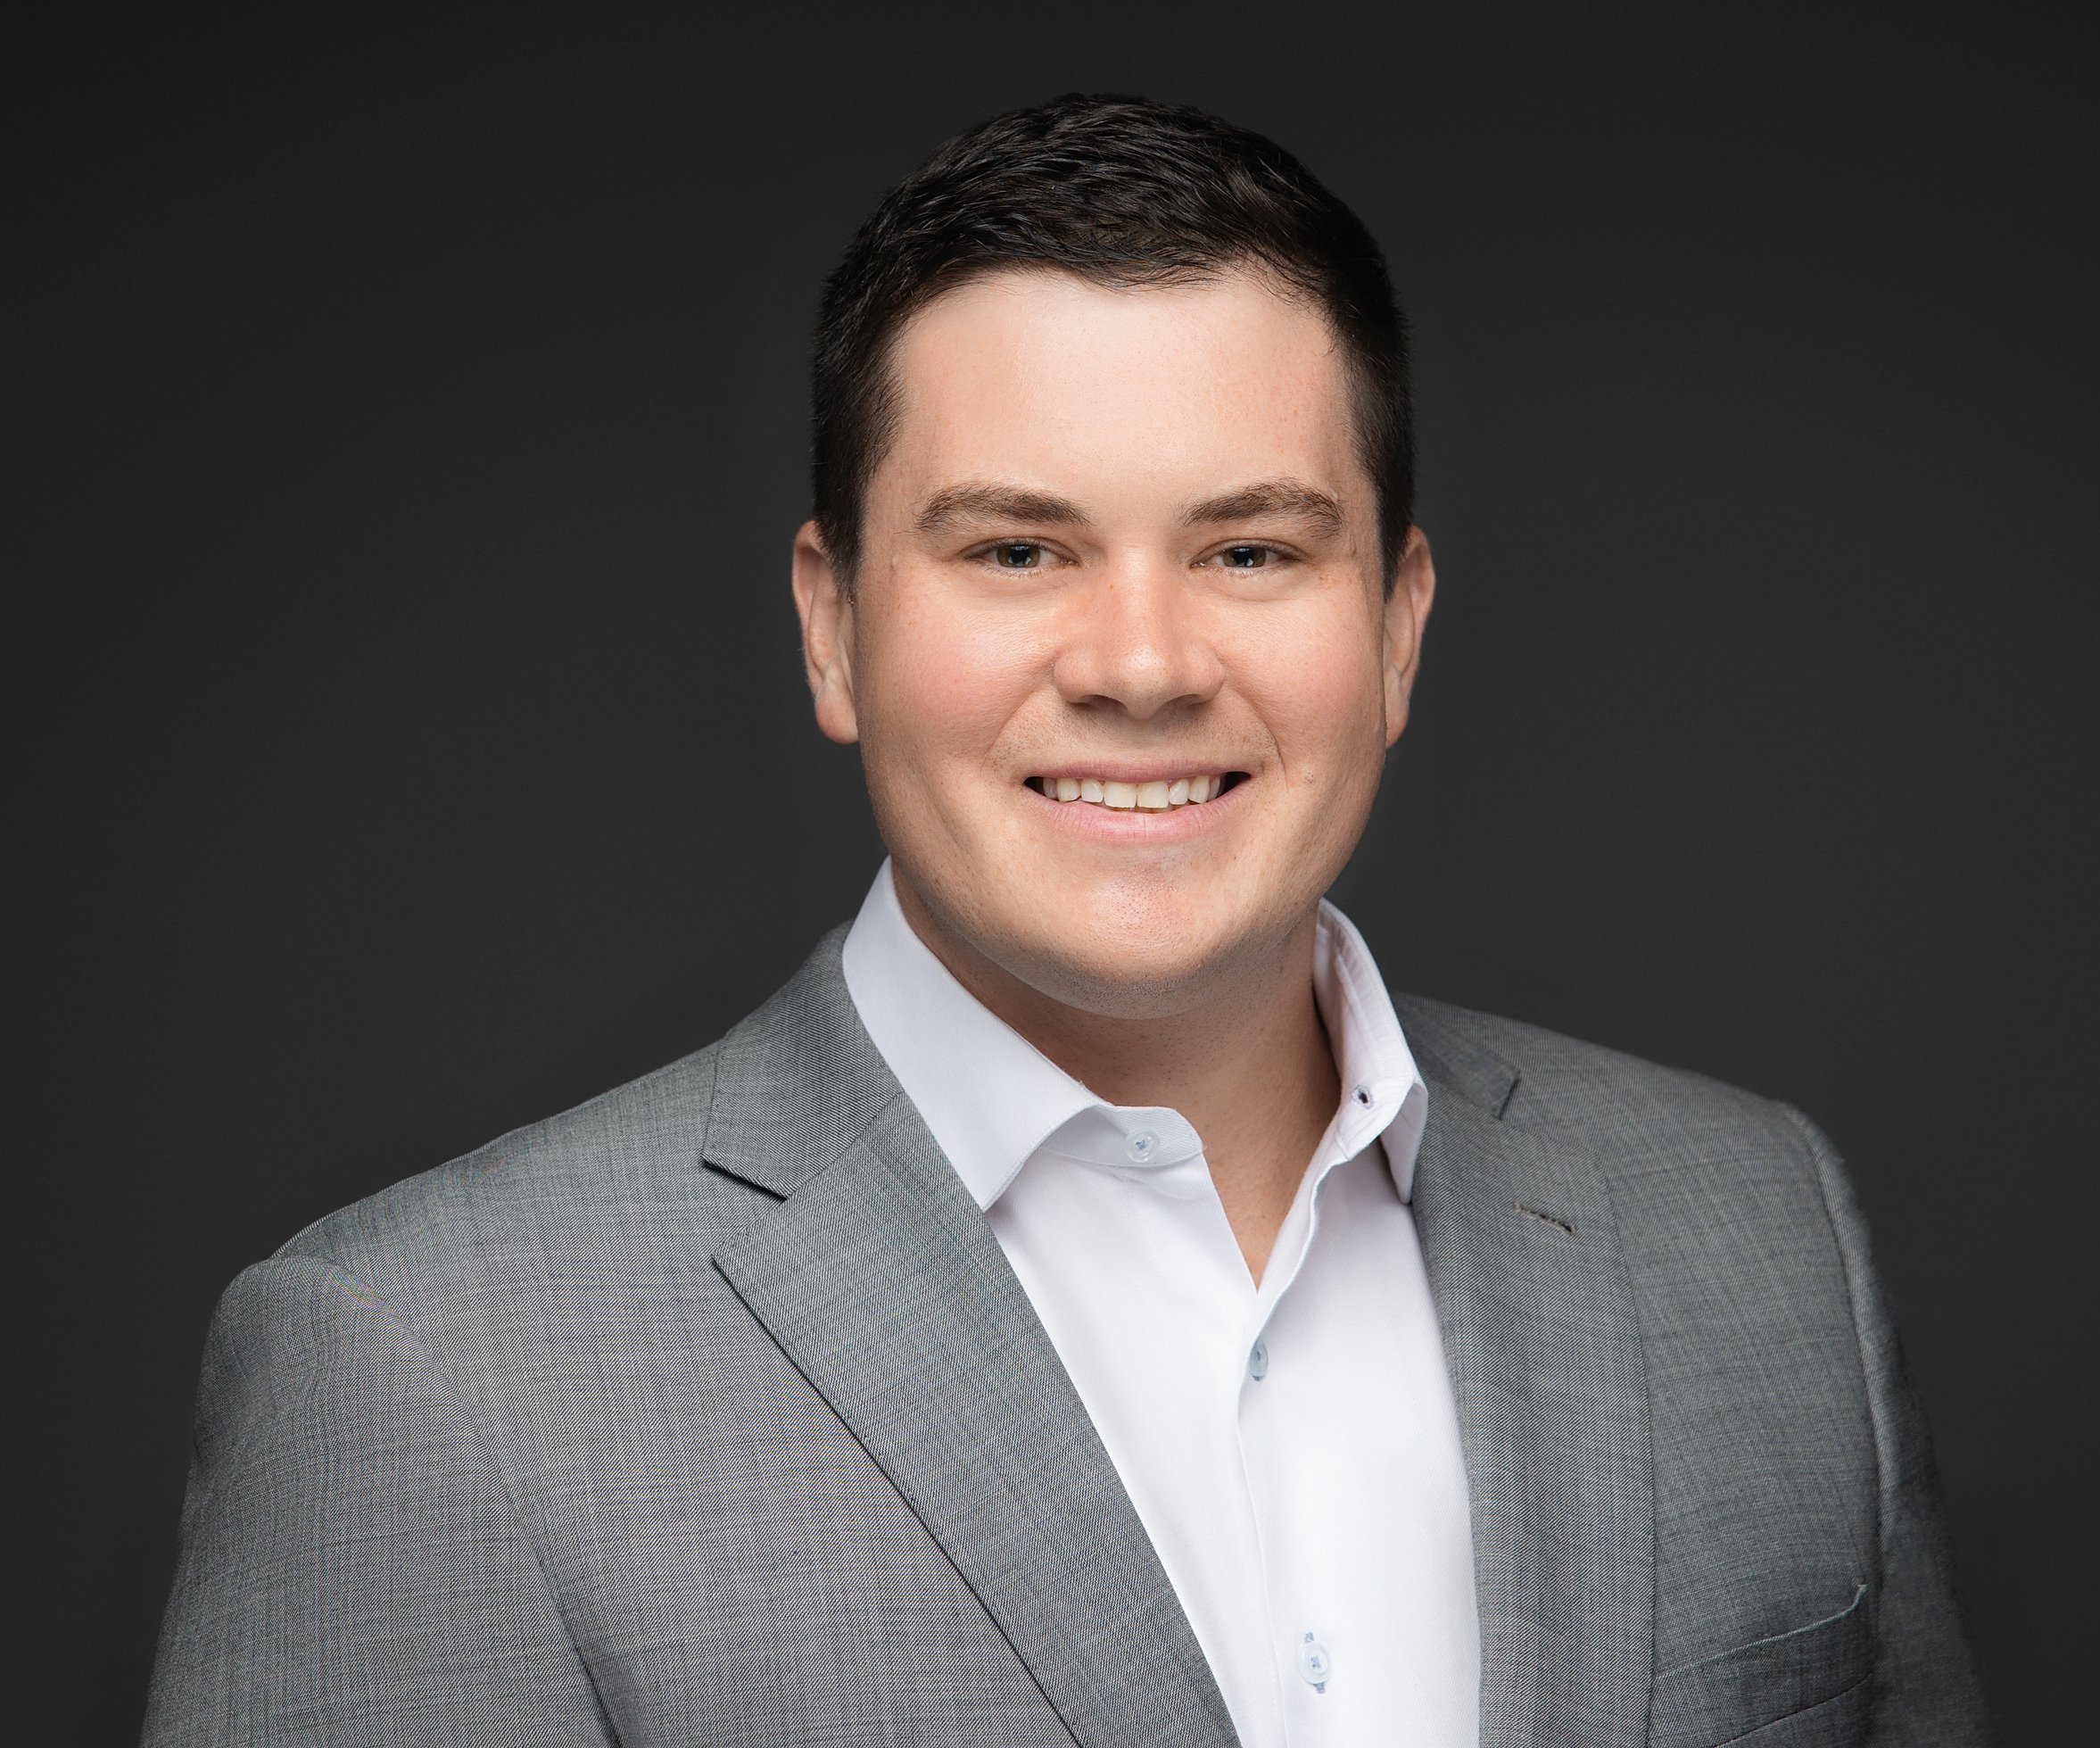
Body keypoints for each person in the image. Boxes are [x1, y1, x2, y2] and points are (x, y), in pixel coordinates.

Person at [142, 95, 1988, 1747]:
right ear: (831, 624)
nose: (1137, 663)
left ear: (1400, 624)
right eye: (1014, 549)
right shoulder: (421, 1371)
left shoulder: (1754, 1238)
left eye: (1249, 549)